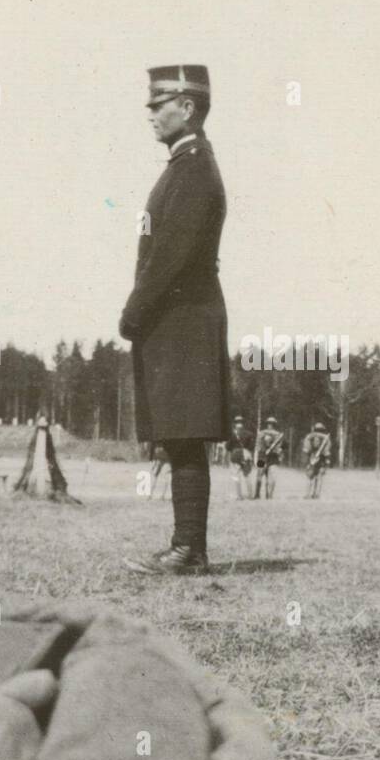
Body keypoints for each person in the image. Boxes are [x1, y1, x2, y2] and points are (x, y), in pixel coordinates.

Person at [120, 65, 229, 574]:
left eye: (159, 103)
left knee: (185, 435)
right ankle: (188, 548)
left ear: (187, 108)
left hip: (185, 320)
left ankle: (189, 551)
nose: (150, 114)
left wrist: (134, 311)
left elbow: (168, 257)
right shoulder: (183, 167)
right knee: (180, 436)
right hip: (179, 322)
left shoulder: (192, 170)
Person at [253, 416, 283, 500]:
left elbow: (257, 446)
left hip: (263, 456)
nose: (270, 425)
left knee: (261, 475)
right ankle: (268, 495)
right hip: (270, 457)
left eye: (270, 424)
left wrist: (255, 457)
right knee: (269, 476)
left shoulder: (261, 433)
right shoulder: (278, 434)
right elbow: (279, 449)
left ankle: (258, 494)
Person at [302, 422, 332, 499]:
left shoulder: (309, 437)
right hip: (321, 459)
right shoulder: (326, 438)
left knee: (310, 477)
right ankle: (316, 494)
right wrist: (327, 461)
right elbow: (327, 452)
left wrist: (306, 462)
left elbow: (306, 450)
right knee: (319, 477)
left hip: (311, 458)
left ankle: (307, 494)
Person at [227, 415, 255, 500]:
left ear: (235, 423)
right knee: (247, 475)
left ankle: (239, 496)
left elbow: (228, 447)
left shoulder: (232, 434)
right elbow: (252, 447)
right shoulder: (249, 434)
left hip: (235, 455)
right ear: (243, 423)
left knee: (236, 476)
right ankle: (250, 496)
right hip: (246, 455)